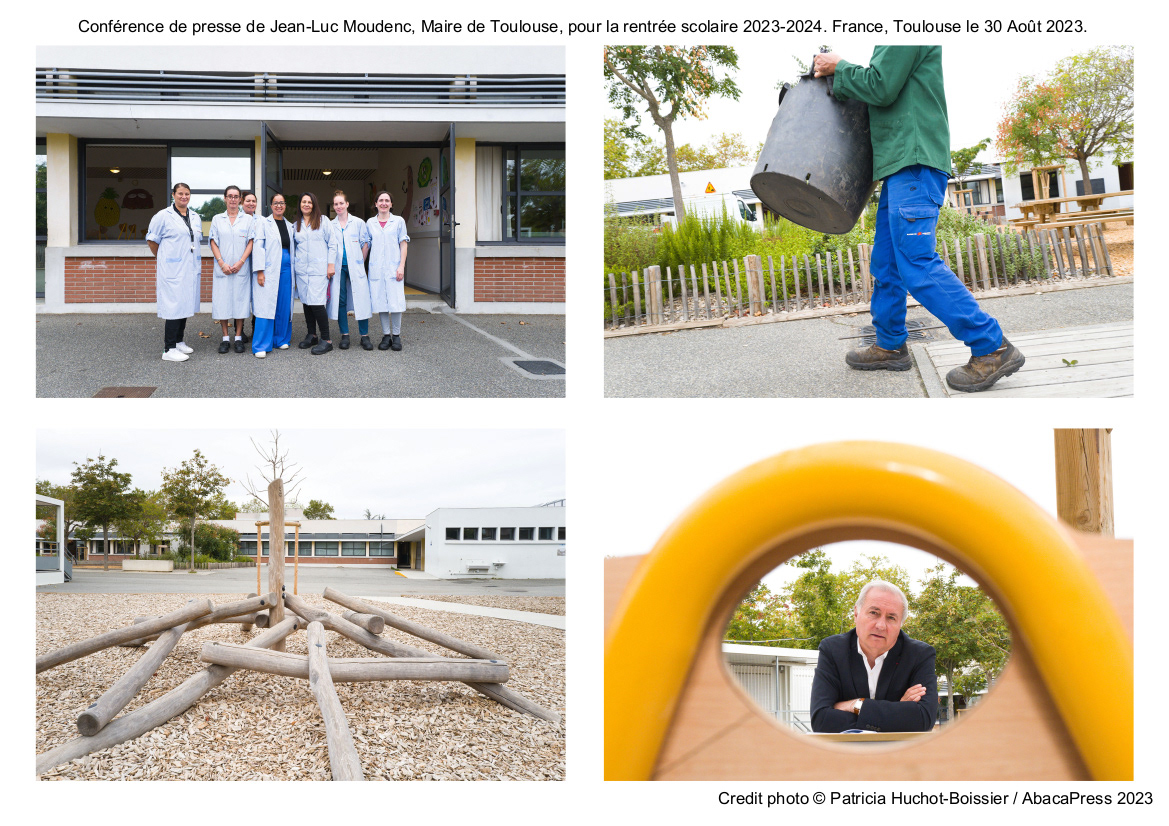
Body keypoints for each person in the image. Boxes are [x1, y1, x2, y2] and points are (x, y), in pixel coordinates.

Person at [814, 47, 1026, 392]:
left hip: (913, 162)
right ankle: (890, 345)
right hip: (899, 167)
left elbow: (880, 86)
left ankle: (992, 347)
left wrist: (839, 67)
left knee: (916, 261)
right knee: (887, 264)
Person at [809, 580, 938, 733]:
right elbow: (821, 720)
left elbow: (923, 719)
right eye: (874, 613)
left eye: (891, 618)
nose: (881, 625)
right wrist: (898, 710)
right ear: (856, 614)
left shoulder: (920, 655)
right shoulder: (832, 650)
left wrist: (857, 705)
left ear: (900, 624)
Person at [146, 182, 202, 362]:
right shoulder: (162, 216)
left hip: (189, 268)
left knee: (184, 304)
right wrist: (164, 258)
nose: (184, 197)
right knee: (173, 307)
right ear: (173, 195)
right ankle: (168, 349)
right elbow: (152, 241)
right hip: (172, 269)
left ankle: (179, 341)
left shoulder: (194, 216)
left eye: (187, 193)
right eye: (180, 193)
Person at [291, 192, 340, 355]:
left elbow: (333, 244)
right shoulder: (295, 224)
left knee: (317, 303)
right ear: (300, 205)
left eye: (309, 202)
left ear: (314, 205)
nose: (306, 204)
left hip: (319, 270)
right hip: (302, 271)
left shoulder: (323, 221)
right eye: (303, 202)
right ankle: (311, 334)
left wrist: (331, 265)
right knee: (306, 302)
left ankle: (326, 339)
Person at [249, 192, 296, 358]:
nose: (279, 205)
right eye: (276, 203)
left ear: (285, 206)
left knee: (283, 304)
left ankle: (281, 339)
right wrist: (260, 271)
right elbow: (258, 247)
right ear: (271, 205)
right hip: (268, 269)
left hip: (286, 269)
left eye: (282, 203)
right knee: (265, 306)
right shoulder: (264, 223)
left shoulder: (290, 226)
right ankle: (261, 344)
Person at [209, 185, 255, 353]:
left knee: (240, 302)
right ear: (225, 198)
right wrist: (222, 263)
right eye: (230, 196)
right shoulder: (216, 219)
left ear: (240, 200)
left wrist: (241, 262)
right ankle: (225, 339)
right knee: (222, 302)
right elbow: (213, 241)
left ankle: (238, 338)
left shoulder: (248, 220)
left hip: (240, 268)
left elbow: (251, 241)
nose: (233, 199)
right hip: (223, 268)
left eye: (236, 196)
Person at [328, 190, 374, 351]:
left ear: (347, 204)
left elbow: (365, 243)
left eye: (341, 203)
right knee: (341, 300)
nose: (339, 206)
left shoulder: (359, 222)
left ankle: (364, 336)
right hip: (338, 267)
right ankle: (345, 335)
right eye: (336, 204)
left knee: (361, 297)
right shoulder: (330, 224)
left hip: (355, 266)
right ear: (333, 206)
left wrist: (360, 262)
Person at [366, 190, 410, 351]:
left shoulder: (398, 221)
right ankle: (386, 336)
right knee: (381, 302)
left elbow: (403, 243)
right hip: (376, 268)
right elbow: (366, 244)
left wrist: (401, 266)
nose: (384, 203)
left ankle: (396, 336)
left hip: (394, 268)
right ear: (376, 204)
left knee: (396, 302)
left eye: (387, 200)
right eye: (380, 200)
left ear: (391, 204)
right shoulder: (370, 222)